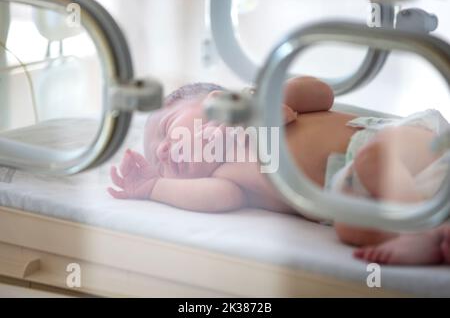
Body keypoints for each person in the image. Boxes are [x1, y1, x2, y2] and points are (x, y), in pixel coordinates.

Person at [108, 77, 450, 266]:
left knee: (373, 161)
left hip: (400, 147)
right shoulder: (224, 178)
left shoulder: (264, 106)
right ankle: (432, 231)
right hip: (353, 194)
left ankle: (421, 228)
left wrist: (266, 100)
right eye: (160, 158)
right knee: (348, 227)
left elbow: (322, 94)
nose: (166, 149)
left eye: (168, 129)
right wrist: (154, 186)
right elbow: (215, 200)